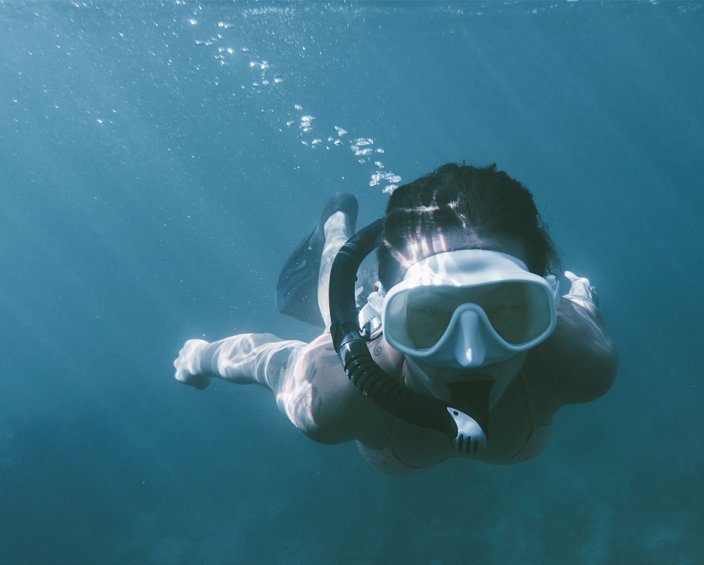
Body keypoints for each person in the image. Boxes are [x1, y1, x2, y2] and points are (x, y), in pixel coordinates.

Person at [174, 163, 617, 474]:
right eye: (428, 314)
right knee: (336, 305)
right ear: (387, 312)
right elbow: (269, 361)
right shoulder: (334, 399)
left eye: (508, 309)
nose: (469, 355)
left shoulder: (583, 361)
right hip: (370, 326)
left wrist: (583, 293)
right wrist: (201, 357)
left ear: (547, 305)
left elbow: (579, 305)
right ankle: (335, 234)